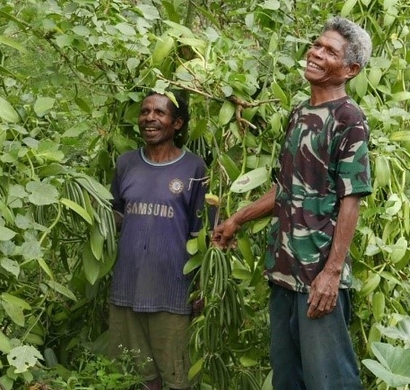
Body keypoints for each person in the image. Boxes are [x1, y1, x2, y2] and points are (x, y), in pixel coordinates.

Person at [212, 17, 372, 390]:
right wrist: (237, 219)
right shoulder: (300, 113)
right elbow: (286, 188)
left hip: (317, 277)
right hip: (283, 270)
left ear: (351, 69)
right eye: (316, 45)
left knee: (330, 381)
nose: (315, 53)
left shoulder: (350, 120)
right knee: (289, 379)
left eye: (329, 51)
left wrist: (331, 274)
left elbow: (352, 200)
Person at [109, 91, 208, 390]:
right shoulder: (126, 164)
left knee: (178, 378)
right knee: (139, 378)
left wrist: (200, 287)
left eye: (159, 113)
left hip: (172, 292)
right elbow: (115, 217)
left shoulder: (194, 168)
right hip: (128, 288)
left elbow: (201, 233)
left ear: (177, 123)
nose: (150, 118)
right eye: (145, 112)